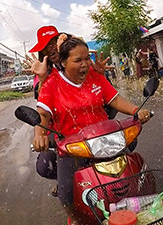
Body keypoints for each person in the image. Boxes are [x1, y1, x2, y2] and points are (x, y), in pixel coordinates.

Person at [31, 34, 150, 224]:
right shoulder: (51, 84)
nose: (85, 64)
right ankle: (77, 219)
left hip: (105, 140)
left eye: (87, 58)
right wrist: (39, 134)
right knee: (66, 192)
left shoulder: (96, 77)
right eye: (78, 60)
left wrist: (137, 110)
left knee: (135, 177)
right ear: (63, 62)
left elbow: (114, 99)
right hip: (73, 148)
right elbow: (43, 115)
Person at [24, 25, 112, 197]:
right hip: (62, 128)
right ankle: (67, 180)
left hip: (92, 122)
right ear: (42, 52)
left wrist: (101, 74)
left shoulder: (84, 63)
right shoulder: (42, 72)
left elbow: (107, 95)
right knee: (46, 165)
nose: (51, 48)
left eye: (54, 42)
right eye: (46, 46)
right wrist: (42, 79)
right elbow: (43, 109)